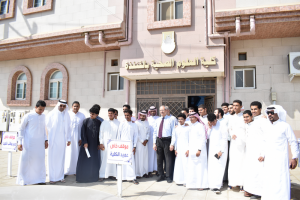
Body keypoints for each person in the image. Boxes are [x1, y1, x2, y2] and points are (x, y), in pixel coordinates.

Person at [262, 105, 299, 200]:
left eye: (272, 113)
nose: (270, 115)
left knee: (280, 181)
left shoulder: (285, 126)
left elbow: (293, 142)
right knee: (268, 181)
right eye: (268, 113)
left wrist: (295, 157)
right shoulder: (266, 126)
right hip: (268, 159)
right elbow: (263, 142)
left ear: (278, 113)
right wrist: (262, 154)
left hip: (280, 159)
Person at [16, 100, 48, 186]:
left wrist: (46, 140)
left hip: (40, 144)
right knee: (26, 161)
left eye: (43, 110)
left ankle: (40, 179)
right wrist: (19, 142)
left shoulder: (43, 116)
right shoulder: (28, 116)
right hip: (29, 143)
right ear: (36, 107)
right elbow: (21, 129)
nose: (41, 111)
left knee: (39, 161)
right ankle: (25, 180)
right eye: (40, 109)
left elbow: (43, 130)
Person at [46, 100, 71, 184]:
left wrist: (69, 139)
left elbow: (69, 128)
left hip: (62, 140)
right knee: (53, 158)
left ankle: (60, 176)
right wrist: (47, 139)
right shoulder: (51, 114)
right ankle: (52, 177)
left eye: (64, 106)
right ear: (57, 105)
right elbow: (46, 127)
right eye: (61, 106)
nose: (62, 107)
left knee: (61, 158)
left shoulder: (66, 115)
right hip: (53, 140)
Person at [243, 110, 265, 199]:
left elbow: (263, 139)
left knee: (258, 173)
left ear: (251, 116)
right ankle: (249, 190)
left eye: (247, 117)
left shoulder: (257, 124)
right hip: (249, 153)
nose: (245, 119)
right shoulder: (246, 125)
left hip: (257, 153)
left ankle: (258, 192)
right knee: (250, 172)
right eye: (244, 117)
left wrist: (262, 153)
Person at [76, 106, 101, 183]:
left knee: (93, 161)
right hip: (86, 145)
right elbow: (83, 133)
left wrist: (99, 144)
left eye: (93, 114)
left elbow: (100, 135)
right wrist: (85, 142)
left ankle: (92, 177)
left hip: (94, 146)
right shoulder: (85, 121)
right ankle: (82, 178)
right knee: (84, 160)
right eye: (90, 113)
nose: (91, 115)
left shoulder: (99, 123)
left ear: (97, 114)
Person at [153, 106, 176, 183]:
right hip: (159, 140)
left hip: (167, 140)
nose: (161, 112)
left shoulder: (171, 119)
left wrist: (172, 144)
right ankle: (160, 175)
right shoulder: (157, 120)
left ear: (166, 111)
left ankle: (169, 176)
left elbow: (173, 132)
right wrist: (154, 143)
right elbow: (155, 132)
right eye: (160, 110)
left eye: (163, 110)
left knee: (168, 159)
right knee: (159, 159)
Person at [186, 112, 208, 190]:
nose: (191, 119)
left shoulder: (200, 126)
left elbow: (203, 138)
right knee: (192, 167)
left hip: (199, 150)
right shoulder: (190, 126)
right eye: (190, 117)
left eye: (192, 117)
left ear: (196, 118)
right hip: (192, 149)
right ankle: (193, 184)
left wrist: (199, 149)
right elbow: (190, 139)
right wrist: (188, 149)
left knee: (200, 168)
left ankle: (202, 185)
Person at [227, 100, 246, 191]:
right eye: (233, 105)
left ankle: (242, 183)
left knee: (242, 161)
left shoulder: (244, 116)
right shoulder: (230, 117)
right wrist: (231, 134)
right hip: (234, 143)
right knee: (233, 161)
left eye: (237, 105)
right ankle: (233, 183)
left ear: (241, 106)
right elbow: (229, 129)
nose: (235, 107)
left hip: (243, 142)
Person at [207, 113, 228, 194]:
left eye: (214, 122)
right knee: (212, 167)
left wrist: (221, 150)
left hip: (220, 150)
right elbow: (207, 136)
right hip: (212, 149)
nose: (213, 123)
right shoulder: (210, 125)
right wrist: (209, 127)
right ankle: (212, 185)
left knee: (219, 167)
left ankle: (217, 186)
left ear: (216, 119)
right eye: (211, 122)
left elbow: (224, 138)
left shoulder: (222, 125)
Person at [117, 109, 139, 185]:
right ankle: (122, 177)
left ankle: (132, 177)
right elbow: (118, 135)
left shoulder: (134, 125)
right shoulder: (122, 124)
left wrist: (134, 146)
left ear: (131, 115)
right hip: (122, 146)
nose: (126, 117)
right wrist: (119, 145)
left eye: (128, 115)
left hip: (130, 145)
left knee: (131, 162)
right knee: (123, 161)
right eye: (125, 115)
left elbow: (136, 136)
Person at [64, 101, 86, 176]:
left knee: (77, 153)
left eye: (77, 106)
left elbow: (83, 128)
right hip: (69, 138)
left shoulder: (82, 115)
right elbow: (66, 127)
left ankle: (76, 170)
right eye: (74, 106)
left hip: (78, 138)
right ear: (72, 106)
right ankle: (67, 170)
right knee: (68, 153)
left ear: (79, 107)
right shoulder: (68, 114)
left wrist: (81, 138)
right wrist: (67, 138)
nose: (76, 107)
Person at [99, 108, 120, 181]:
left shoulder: (118, 123)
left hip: (114, 144)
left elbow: (119, 134)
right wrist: (101, 143)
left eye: (111, 113)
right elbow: (101, 133)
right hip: (105, 144)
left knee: (113, 159)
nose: (110, 115)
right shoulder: (104, 122)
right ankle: (102, 175)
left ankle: (112, 174)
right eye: (109, 113)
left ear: (114, 114)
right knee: (104, 159)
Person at [173, 113, 189, 186]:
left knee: (185, 164)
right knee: (179, 163)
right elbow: (175, 139)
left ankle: (186, 180)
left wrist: (188, 149)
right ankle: (179, 180)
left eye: (181, 119)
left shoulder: (188, 128)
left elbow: (190, 139)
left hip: (186, 148)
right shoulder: (176, 128)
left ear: (185, 120)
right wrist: (175, 149)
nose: (180, 120)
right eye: (179, 119)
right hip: (179, 148)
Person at [135, 110, 150, 178]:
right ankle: (138, 173)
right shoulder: (136, 123)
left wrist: (146, 139)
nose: (142, 117)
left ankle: (144, 172)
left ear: (145, 116)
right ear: (139, 116)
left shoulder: (147, 123)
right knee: (139, 158)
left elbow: (148, 132)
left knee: (145, 158)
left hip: (145, 143)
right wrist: (142, 141)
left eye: (144, 116)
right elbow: (136, 134)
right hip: (139, 144)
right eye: (141, 115)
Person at [147, 106, 159, 176]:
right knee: (150, 155)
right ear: (149, 112)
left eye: (154, 111)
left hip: (157, 139)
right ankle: (149, 170)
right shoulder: (147, 119)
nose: (152, 112)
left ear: (155, 111)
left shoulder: (158, 118)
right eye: (151, 111)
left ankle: (156, 169)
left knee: (156, 155)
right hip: (149, 140)